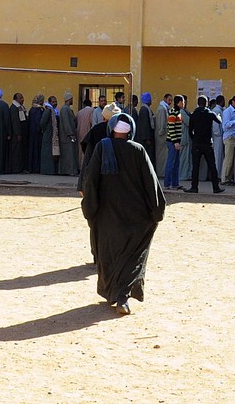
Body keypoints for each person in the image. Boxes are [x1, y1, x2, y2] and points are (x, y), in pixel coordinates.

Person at [80, 112, 166, 316]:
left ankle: (115, 294)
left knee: (109, 256)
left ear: (111, 129)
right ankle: (121, 297)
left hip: (107, 217)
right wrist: (156, 211)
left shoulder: (102, 148)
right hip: (136, 217)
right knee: (132, 256)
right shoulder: (138, 150)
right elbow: (151, 183)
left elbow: (90, 181)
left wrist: (90, 209)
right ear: (131, 131)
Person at [185, 96, 224, 193]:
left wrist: (194, 139)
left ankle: (194, 187)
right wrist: (218, 116)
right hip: (207, 143)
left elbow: (190, 130)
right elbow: (219, 121)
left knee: (195, 166)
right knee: (212, 166)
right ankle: (216, 187)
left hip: (197, 143)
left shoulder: (194, 114)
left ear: (198, 103)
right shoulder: (210, 114)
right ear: (206, 103)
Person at [163, 95, 184, 190]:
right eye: (182, 102)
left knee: (176, 163)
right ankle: (167, 184)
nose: (184, 104)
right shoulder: (173, 112)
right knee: (171, 163)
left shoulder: (178, 112)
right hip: (172, 142)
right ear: (178, 102)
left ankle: (175, 183)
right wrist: (175, 142)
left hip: (176, 141)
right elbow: (171, 128)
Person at [221, 96, 235, 185]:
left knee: (232, 160)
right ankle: (224, 178)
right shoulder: (227, 112)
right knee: (228, 159)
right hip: (229, 137)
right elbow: (225, 126)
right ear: (233, 102)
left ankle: (228, 178)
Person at [58, 91, 79, 176]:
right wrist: (70, 134)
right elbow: (66, 123)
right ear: (69, 99)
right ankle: (69, 170)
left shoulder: (67, 109)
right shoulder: (65, 109)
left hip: (68, 136)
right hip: (67, 136)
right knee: (68, 154)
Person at [8, 92, 28, 174]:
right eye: (20, 98)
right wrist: (18, 134)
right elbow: (15, 122)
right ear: (16, 99)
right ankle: (16, 168)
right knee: (16, 152)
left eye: (22, 97)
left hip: (21, 133)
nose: (22, 99)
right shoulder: (14, 108)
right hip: (16, 135)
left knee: (20, 151)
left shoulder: (21, 107)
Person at [154, 93, 172, 177]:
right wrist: (163, 133)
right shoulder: (162, 109)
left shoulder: (165, 108)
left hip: (164, 136)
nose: (170, 102)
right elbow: (161, 125)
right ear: (164, 99)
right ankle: (161, 173)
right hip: (161, 137)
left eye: (171, 100)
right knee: (161, 157)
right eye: (169, 100)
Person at [27, 94, 45, 174]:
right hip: (37, 134)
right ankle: (36, 167)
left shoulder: (32, 109)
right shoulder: (39, 110)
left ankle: (31, 167)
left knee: (32, 150)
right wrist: (41, 130)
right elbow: (39, 122)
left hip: (31, 133)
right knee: (37, 150)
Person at [75, 98, 94, 163]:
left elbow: (76, 122)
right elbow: (92, 122)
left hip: (79, 133)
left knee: (80, 151)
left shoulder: (79, 112)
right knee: (87, 150)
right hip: (88, 133)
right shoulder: (92, 111)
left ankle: (80, 165)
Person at [211, 95, 225, 176]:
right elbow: (215, 124)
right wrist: (218, 134)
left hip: (219, 136)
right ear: (222, 101)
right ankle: (216, 174)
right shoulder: (216, 110)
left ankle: (219, 173)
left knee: (220, 156)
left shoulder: (220, 110)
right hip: (217, 136)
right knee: (217, 155)